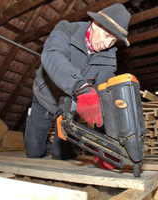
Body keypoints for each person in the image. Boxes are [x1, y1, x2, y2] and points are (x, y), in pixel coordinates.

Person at [25, 3, 131, 163]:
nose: (108, 44)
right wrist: (80, 87)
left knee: (63, 155)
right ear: (95, 24)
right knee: (34, 152)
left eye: (114, 41)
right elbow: (52, 56)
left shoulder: (109, 56)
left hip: (71, 107)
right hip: (45, 98)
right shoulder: (67, 29)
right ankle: (42, 147)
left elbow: (104, 96)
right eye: (107, 35)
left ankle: (60, 150)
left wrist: (105, 144)